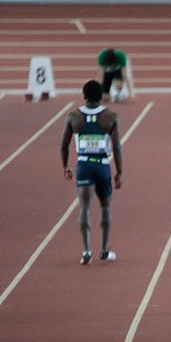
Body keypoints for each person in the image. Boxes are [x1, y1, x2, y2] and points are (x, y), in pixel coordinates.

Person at [60, 80, 123, 264]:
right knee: (105, 207)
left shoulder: (73, 117)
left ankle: (86, 251)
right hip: (103, 165)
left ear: (84, 95)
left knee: (84, 209)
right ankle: (104, 250)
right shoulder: (110, 117)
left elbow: (63, 145)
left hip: (84, 165)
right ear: (102, 94)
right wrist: (119, 172)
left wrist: (65, 167)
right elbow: (117, 147)